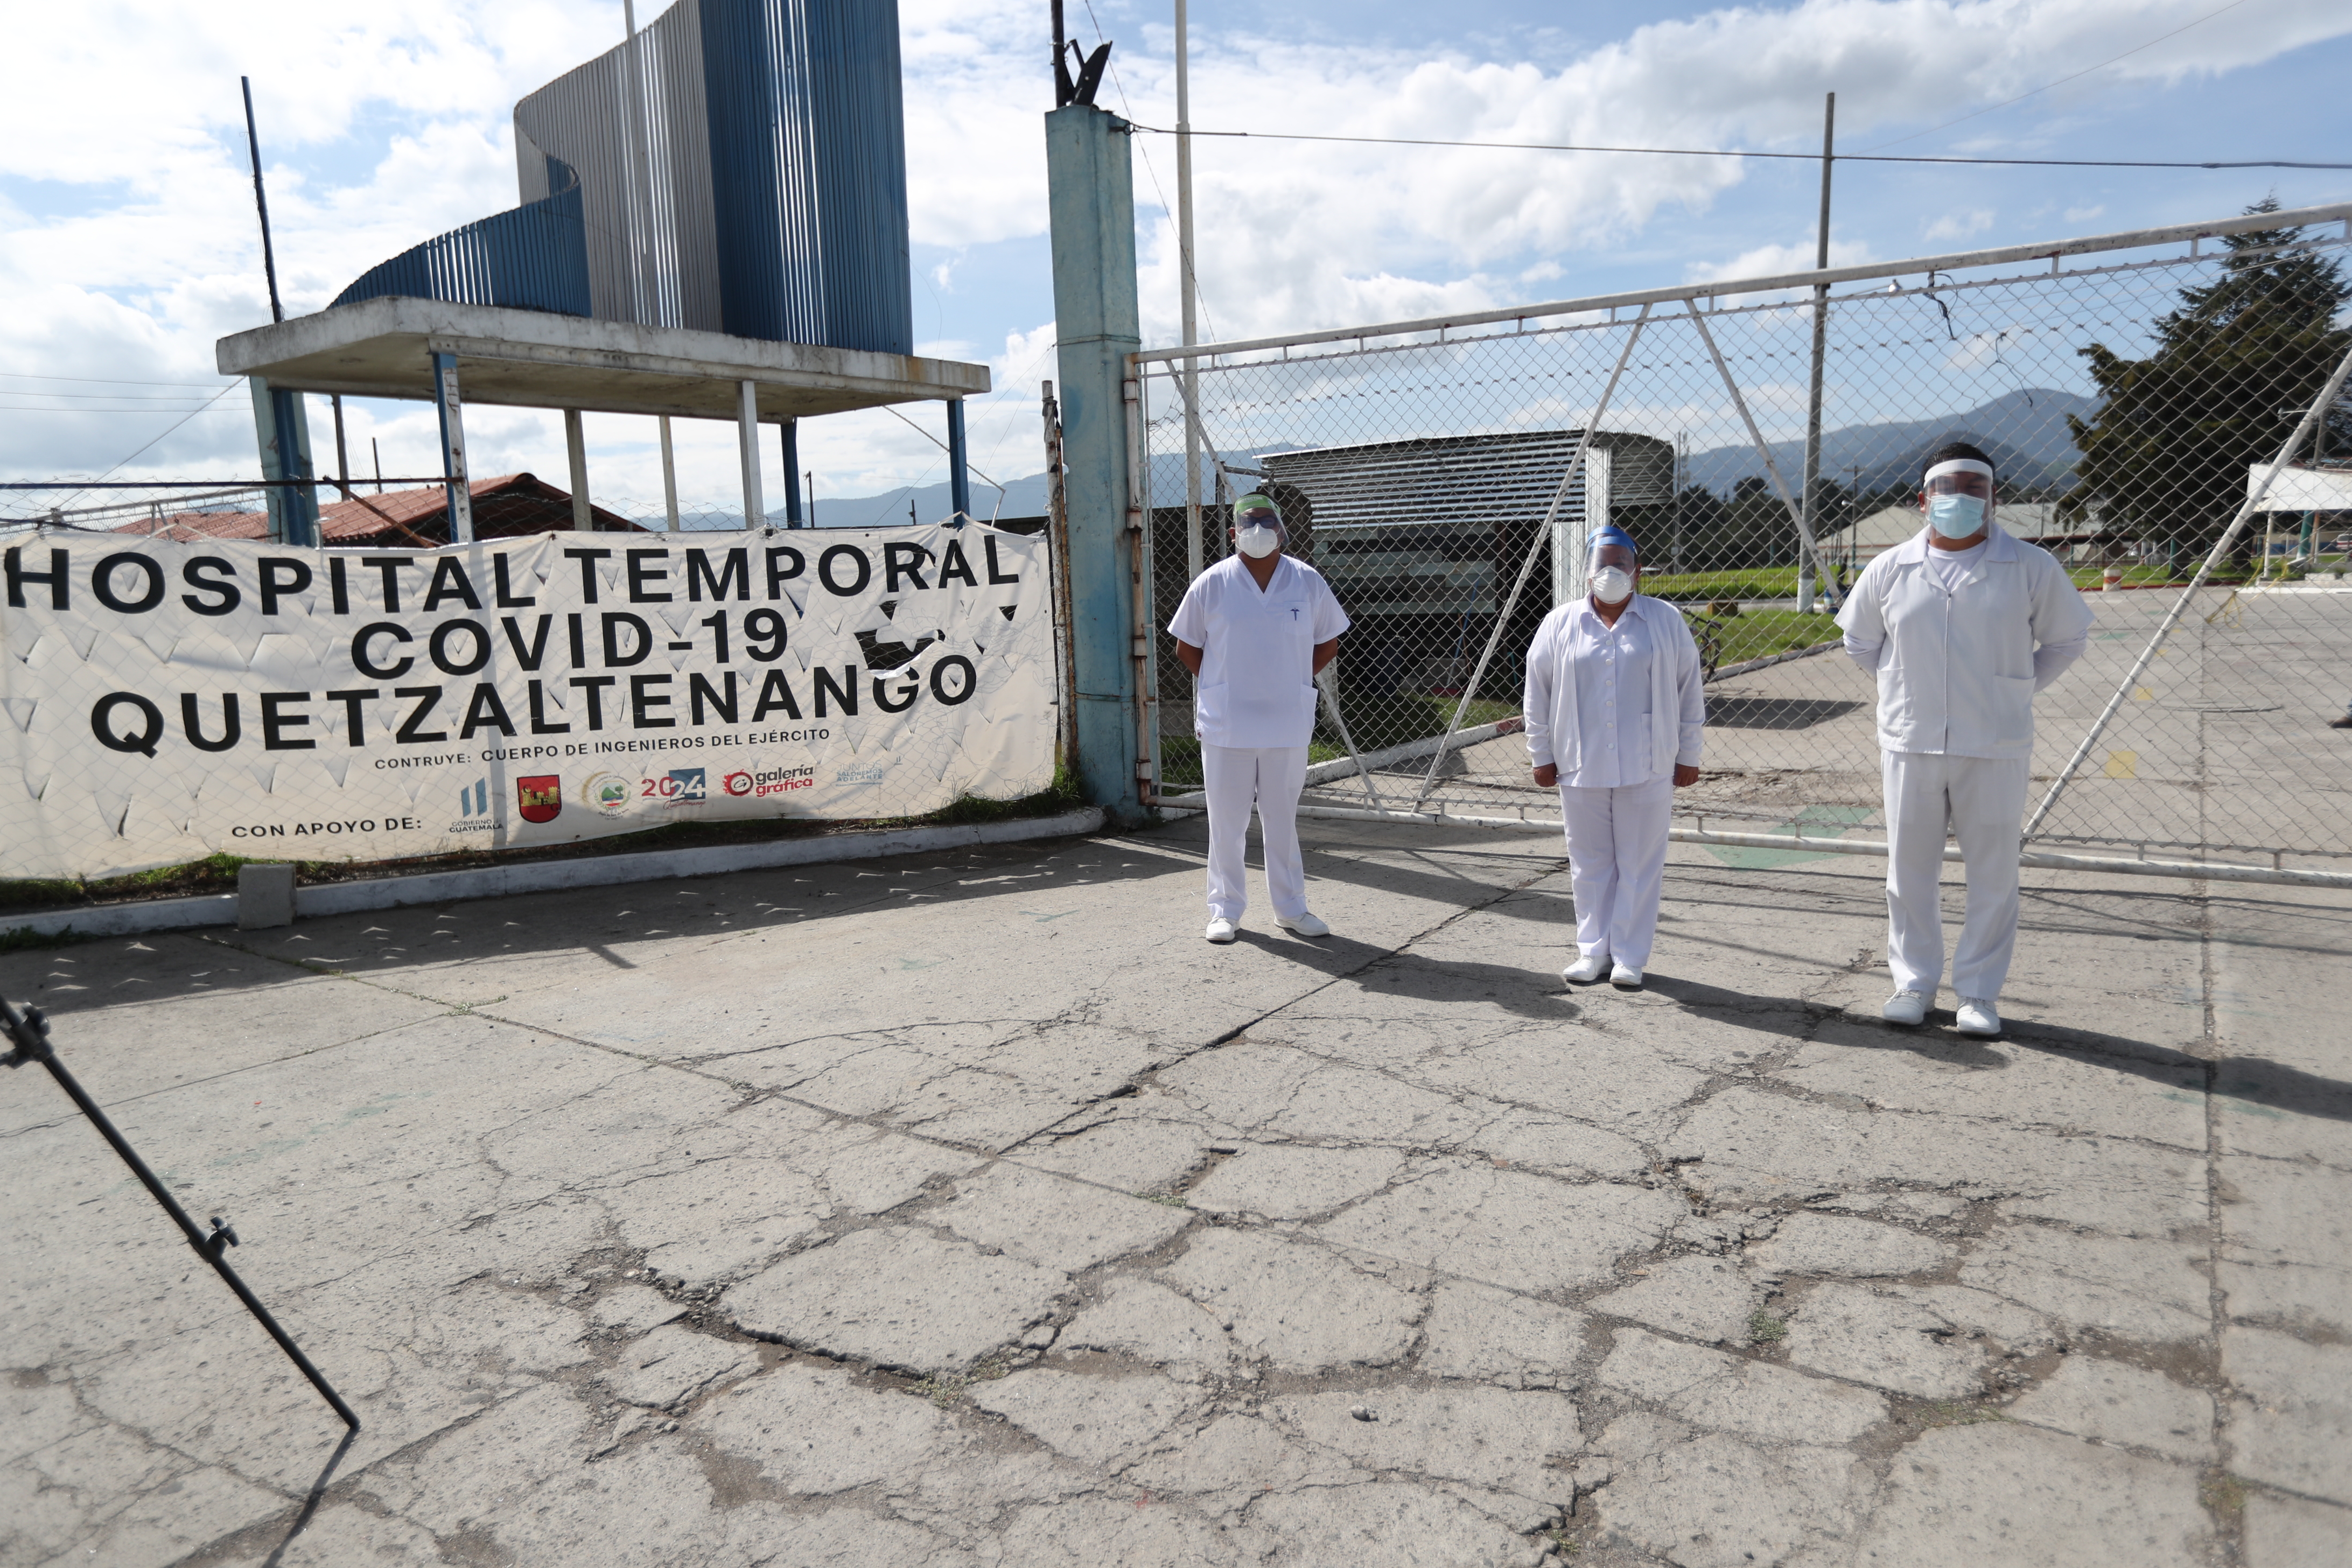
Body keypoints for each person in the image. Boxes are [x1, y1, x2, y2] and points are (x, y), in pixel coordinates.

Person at [1837, 441, 2094, 1036]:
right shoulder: (1889, 567)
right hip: (1911, 739)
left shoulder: (2031, 567)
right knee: (1909, 871)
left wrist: (2017, 689)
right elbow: (1859, 642)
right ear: (1923, 500)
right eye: (1947, 491)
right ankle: (1914, 983)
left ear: (1994, 499)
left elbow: (2066, 640)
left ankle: (1978, 993)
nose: (1960, 501)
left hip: (1995, 742)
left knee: (1994, 872)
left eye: (1974, 490)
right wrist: (1902, 684)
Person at [1524, 524, 1706, 990]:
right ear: (1587, 573)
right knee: (1588, 861)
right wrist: (1540, 754)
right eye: (1602, 564)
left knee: (1641, 863)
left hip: (1648, 762)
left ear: (1637, 571)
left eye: (1621, 564)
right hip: (1578, 761)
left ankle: (1629, 956)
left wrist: (1689, 753)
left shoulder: (1664, 620)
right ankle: (1593, 952)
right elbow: (1537, 693)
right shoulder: (1560, 623)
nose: (1612, 572)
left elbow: (1689, 690)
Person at [1168, 493, 1350, 943]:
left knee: (1281, 820)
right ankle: (1224, 911)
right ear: (1233, 534)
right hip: (1228, 721)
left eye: (1267, 521)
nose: (1259, 529)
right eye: (1249, 522)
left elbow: (1328, 640)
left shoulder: (1306, 582)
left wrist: (1291, 677)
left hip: (1286, 722)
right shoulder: (1213, 583)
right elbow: (1187, 646)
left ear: (1282, 529)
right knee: (1226, 821)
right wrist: (1222, 681)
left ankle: (1291, 910)